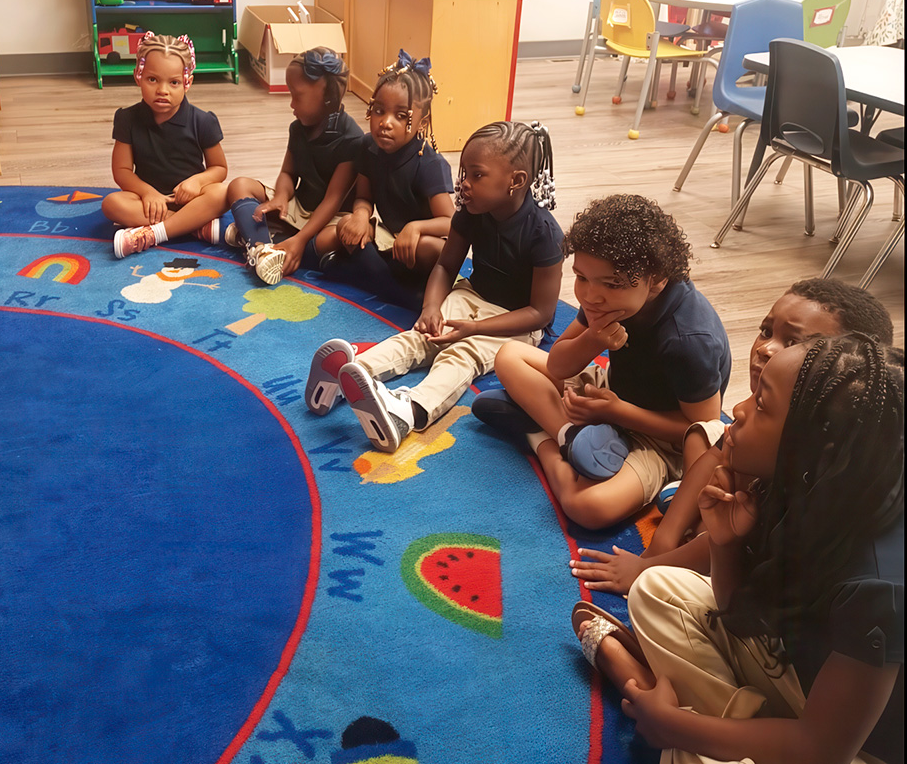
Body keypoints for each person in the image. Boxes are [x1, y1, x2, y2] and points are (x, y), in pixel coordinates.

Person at [573, 335, 904, 764]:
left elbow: (824, 749)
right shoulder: (801, 482)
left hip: (854, 745)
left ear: (820, 446)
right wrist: (726, 545)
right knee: (657, 587)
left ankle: (659, 703)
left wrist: (673, 727)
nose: (741, 410)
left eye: (762, 405)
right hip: (795, 676)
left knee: (694, 752)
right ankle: (712, 727)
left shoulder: (882, 585)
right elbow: (739, 617)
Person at [570, 277, 896, 594]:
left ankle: (697, 516)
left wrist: (648, 569)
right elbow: (718, 448)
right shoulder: (768, 411)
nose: (767, 349)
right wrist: (661, 543)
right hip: (740, 502)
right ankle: (693, 506)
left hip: (757, 548)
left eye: (795, 343)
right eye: (767, 331)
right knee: (708, 434)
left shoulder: (820, 470)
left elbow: (731, 545)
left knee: (685, 566)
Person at [304, 121, 564, 454]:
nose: (464, 185)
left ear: (516, 181)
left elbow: (540, 313)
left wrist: (474, 328)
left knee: (461, 354)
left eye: (477, 175)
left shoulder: (545, 234)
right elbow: (445, 265)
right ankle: (350, 373)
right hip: (470, 295)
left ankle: (407, 412)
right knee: (421, 336)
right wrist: (430, 308)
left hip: (516, 323)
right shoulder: (471, 212)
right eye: (463, 172)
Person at [477, 194, 731, 531]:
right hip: (614, 393)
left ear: (656, 278)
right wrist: (593, 338)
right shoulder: (607, 298)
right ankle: (569, 436)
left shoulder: (688, 341)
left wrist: (615, 412)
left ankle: (539, 435)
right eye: (581, 277)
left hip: (661, 438)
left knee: (587, 507)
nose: (589, 296)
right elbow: (557, 365)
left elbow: (703, 429)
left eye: (610, 284)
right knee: (509, 355)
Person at [321, 49, 454, 309]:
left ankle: (369, 278)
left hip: (419, 245)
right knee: (342, 226)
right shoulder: (368, 147)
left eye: (401, 116)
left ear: (422, 123)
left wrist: (415, 228)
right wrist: (360, 215)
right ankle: (389, 287)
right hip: (389, 239)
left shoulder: (429, 164)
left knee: (433, 249)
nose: (385, 122)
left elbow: (452, 223)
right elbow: (363, 197)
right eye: (379, 111)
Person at [223, 47, 363, 285]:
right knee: (239, 185)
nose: (291, 104)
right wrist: (281, 196)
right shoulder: (297, 128)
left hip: (330, 218)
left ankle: (264, 239)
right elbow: (288, 172)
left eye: (297, 96)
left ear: (327, 95)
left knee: (335, 237)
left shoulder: (353, 139)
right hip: (299, 207)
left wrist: (302, 239)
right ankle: (264, 249)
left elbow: (333, 200)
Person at [101, 33, 229, 258]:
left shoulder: (203, 120)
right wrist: (148, 193)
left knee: (222, 192)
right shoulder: (127, 119)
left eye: (174, 82)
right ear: (137, 76)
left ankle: (156, 232)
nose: (162, 90)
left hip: (193, 199)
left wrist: (197, 182)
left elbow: (219, 169)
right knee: (112, 204)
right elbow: (121, 171)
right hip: (149, 202)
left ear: (187, 83)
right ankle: (194, 227)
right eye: (152, 80)